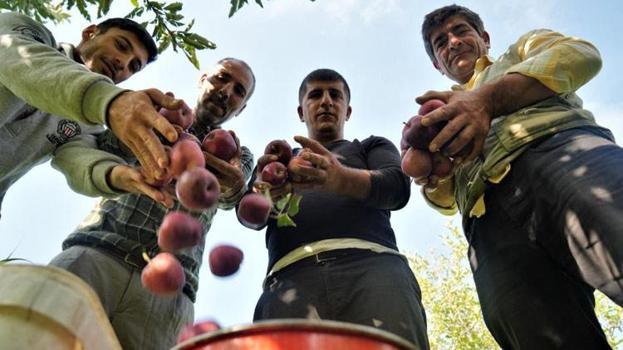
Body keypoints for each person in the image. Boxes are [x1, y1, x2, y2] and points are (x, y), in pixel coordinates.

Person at [416, 5, 622, 349]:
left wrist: (485, 100)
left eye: (461, 31)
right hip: (487, 219)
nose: (452, 42)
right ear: (438, 64)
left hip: (561, 151)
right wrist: (432, 173)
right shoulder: (441, 112)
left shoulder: (522, 49)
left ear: (483, 38)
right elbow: (447, 201)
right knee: (535, 335)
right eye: (440, 42)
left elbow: (581, 56)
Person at [48, 57, 256, 350]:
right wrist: (135, 118)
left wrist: (181, 145)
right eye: (222, 78)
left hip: (170, 288)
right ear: (202, 78)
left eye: (238, 91)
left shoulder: (240, 155)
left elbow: (231, 190)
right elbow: (104, 148)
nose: (226, 91)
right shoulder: (153, 114)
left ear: (241, 108)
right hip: (97, 251)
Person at [243, 69, 429, 348]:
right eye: (315, 95)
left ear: (348, 110)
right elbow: (248, 217)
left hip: (375, 270)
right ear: (301, 111)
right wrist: (263, 195)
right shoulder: (276, 166)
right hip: (288, 281)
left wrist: (340, 178)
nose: (327, 101)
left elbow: (397, 187)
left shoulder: (371, 146)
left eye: (335, 95)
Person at [0, 11, 181, 217]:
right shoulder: (26, 31)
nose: (123, 63)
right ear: (90, 33)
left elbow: (78, 160)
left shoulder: (90, 125)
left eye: (133, 66)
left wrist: (117, 175)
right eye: (121, 46)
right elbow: (14, 56)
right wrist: (109, 101)